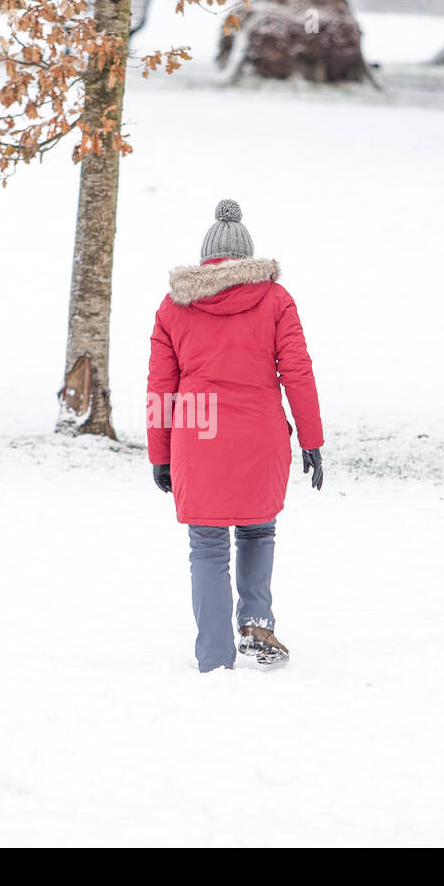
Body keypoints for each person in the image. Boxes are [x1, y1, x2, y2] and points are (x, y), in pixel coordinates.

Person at [147, 199, 324, 672]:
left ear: (206, 258)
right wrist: (311, 439)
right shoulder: (275, 299)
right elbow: (298, 373)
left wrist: (159, 454)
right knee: (257, 528)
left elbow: (161, 386)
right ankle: (255, 622)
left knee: (206, 546)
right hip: (258, 431)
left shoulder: (173, 305)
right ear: (247, 256)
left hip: (197, 430)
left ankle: (213, 656)